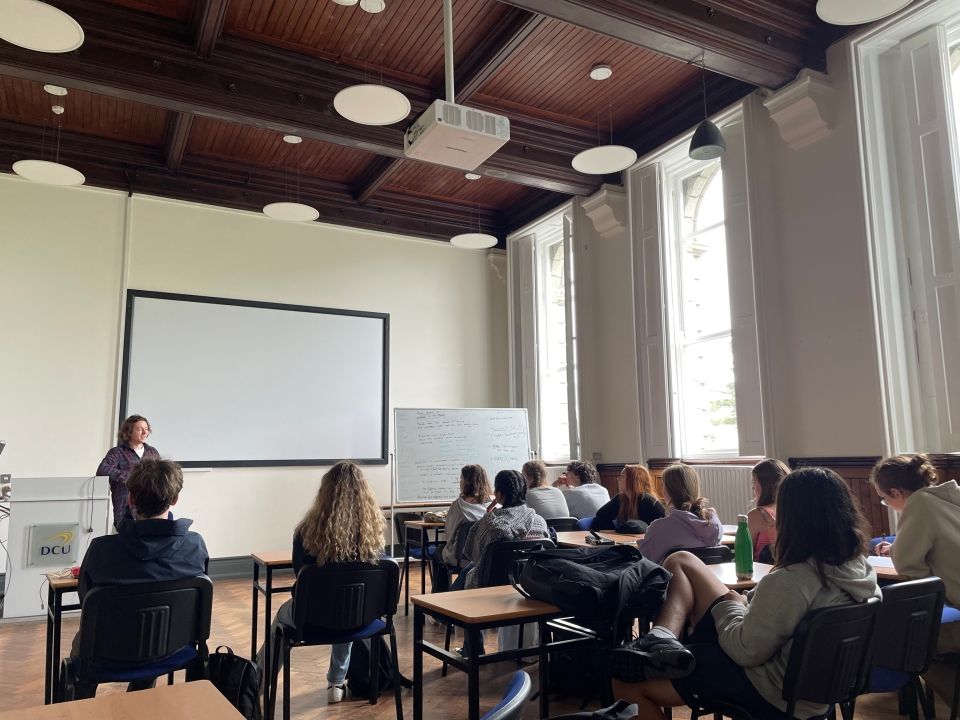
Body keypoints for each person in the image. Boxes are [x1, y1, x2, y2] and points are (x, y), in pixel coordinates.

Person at [608, 467, 879, 720]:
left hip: (767, 688)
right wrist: (746, 602)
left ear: (793, 519)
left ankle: (661, 642)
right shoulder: (861, 572)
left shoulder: (793, 580)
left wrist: (730, 604)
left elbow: (744, 650)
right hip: (816, 691)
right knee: (681, 560)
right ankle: (662, 639)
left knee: (625, 680)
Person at [72, 459, 208, 696]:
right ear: (175, 499)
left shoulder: (102, 549)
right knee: (153, 634)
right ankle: (141, 695)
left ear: (131, 499)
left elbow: (87, 601)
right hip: (172, 651)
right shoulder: (195, 546)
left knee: (88, 644)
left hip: (105, 654)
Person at [266, 461, 386, 704]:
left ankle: (257, 682)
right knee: (348, 609)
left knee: (281, 617)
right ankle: (336, 683)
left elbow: (300, 574)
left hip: (311, 618)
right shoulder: (372, 534)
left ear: (324, 493)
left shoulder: (306, 532)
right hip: (362, 617)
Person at [871, 453, 960, 701]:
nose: (886, 503)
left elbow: (909, 567)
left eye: (884, 499)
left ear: (896, 492)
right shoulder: (949, 498)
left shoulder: (919, 505)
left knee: (906, 642)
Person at [459, 469, 549, 590]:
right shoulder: (540, 522)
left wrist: (488, 516)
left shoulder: (491, 524)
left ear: (499, 494)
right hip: (529, 585)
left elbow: (476, 557)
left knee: (466, 572)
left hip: (491, 587)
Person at [636, 464, 721, 563]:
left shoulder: (659, 528)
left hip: (674, 578)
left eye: (663, 485)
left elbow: (644, 561)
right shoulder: (714, 524)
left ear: (669, 491)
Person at [430, 464, 491, 591]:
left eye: (461, 478)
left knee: (437, 552)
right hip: (483, 558)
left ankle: (439, 594)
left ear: (467, 482)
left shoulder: (458, 506)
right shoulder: (491, 506)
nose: (460, 481)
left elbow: (449, 535)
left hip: (460, 559)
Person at [96, 414, 160, 530]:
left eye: (146, 429)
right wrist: (131, 477)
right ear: (129, 432)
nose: (145, 433)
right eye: (140, 429)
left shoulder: (152, 452)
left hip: (151, 511)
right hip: (125, 510)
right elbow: (102, 469)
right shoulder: (117, 452)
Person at [594, 464, 666, 532]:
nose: (618, 479)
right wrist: (615, 530)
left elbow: (662, 526)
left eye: (622, 476)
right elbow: (601, 515)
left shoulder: (648, 501)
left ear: (633, 480)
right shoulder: (621, 498)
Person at [746, 458, 789, 562]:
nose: (753, 488)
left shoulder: (756, 515)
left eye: (754, 482)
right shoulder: (793, 511)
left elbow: (746, 554)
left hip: (762, 574)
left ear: (766, 485)